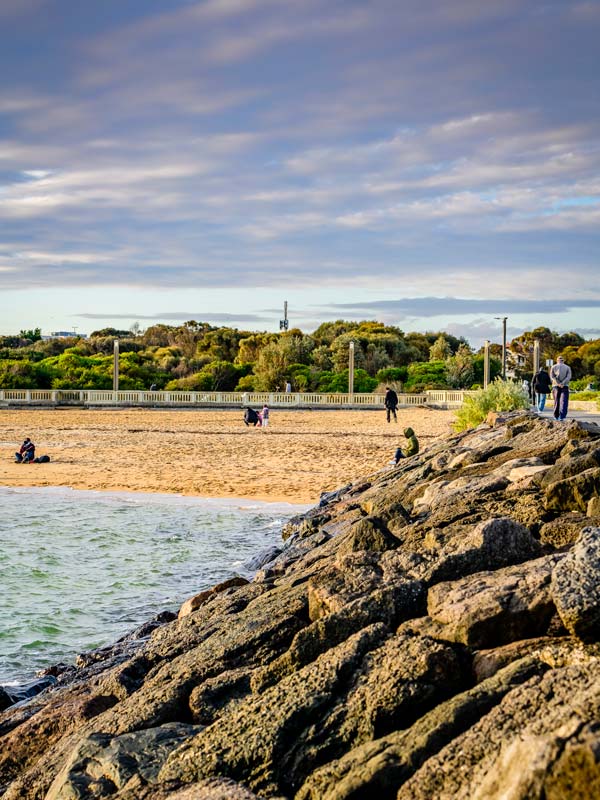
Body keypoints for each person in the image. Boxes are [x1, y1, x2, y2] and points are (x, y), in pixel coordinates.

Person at [550, 355, 572, 421]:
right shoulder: (568, 367)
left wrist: (558, 383)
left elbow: (552, 376)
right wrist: (562, 383)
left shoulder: (553, 367)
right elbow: (568, 377)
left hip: (555, 386)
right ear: (563, 360)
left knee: (556, 401)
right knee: (564, 401)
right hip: (565, 386)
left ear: (557, 360)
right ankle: (562, 416)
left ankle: (556, 416)